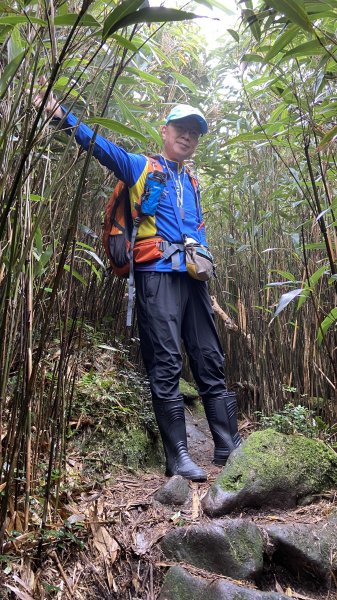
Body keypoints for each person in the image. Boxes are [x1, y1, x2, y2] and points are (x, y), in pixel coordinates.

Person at [40, 93, 241, 481]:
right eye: (181, 129)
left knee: (209, 358)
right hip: (156, 276)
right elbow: (100, 146)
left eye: (194, 132)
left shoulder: (192, 182)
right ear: (164, 131)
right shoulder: (140, 167)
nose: (187, 136)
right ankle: (178, 456)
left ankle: (226, 444)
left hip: (194, 279)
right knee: (166, 362)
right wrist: (61, 114)